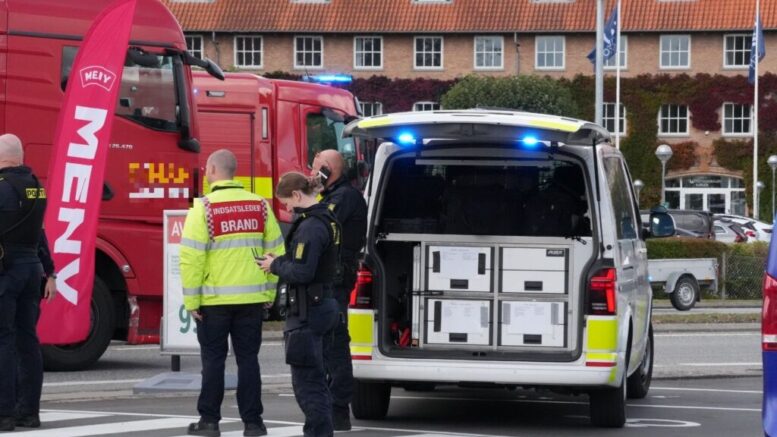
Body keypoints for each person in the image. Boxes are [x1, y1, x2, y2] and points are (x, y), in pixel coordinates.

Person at [180, 149, 284, 437]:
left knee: (213, 361)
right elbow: (276, 253)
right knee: (248, 360)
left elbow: (191, 258)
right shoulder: (260, 206)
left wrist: (192, 301)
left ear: (213, 170)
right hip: (251, 300)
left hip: (214, 301)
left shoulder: (203, 208)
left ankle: (209, 422)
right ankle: (253, 423)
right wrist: (269, 295)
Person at [258, 172, 340, 437]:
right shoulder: (326, 219)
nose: (287, 209)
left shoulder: (310, 227)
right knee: (317, 381)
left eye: (286, 203)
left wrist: (275, 266)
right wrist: (280, 260)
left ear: (296, 195)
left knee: (308, 385)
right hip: (322, 306)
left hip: (308, 312)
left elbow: (303, 272)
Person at [0, 133, 57, 432]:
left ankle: (4, 414)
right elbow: (40, 234)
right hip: (32, 270)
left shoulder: (1, 187)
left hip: (6, 271)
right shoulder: (37, 187)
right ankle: (29, 413)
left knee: (3, 341)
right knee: (28, 341)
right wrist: (51, 272)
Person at [310, 150, 367, 431]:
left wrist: (308, 197)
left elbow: (320, 225)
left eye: (315, 169)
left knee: (335, 343)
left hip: (336, 281)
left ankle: (338, 407)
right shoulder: (334, 196)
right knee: (327, 343)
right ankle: (332, 406)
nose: (311, 174)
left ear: (327, 170)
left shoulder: (344, 198)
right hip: (329, 280)